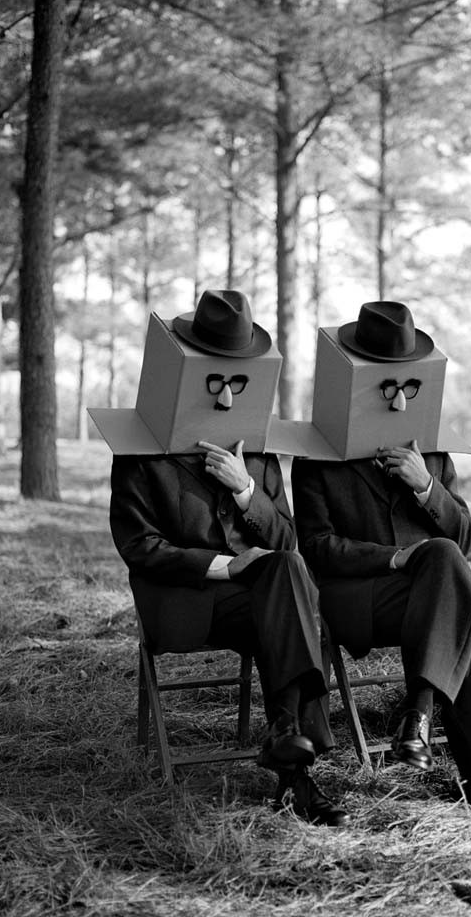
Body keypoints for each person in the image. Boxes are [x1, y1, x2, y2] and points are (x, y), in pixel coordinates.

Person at [291, 301, 471, 820]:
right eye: (388, 388)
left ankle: (422, 719)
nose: (400, 402)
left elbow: (466, 537)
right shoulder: (316, 456)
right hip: (355, 598)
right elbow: (315, 547)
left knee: (450, 567)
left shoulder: (432, 453)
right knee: (454, 594)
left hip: (422, 601)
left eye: (409, 389)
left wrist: (425, 486)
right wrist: (396, 557)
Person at [109, 290, 347, 826]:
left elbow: (287, 542)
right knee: (292, 610)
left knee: (286, 579)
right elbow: (138, 547)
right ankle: (296, 752)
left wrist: (246, 491)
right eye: (214, 382)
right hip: (185, 601)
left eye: (237, 384)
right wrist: (224, 565)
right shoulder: (139, 451)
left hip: (258, 597)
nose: (223, 397)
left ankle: (291, 754)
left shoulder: (256, 451)